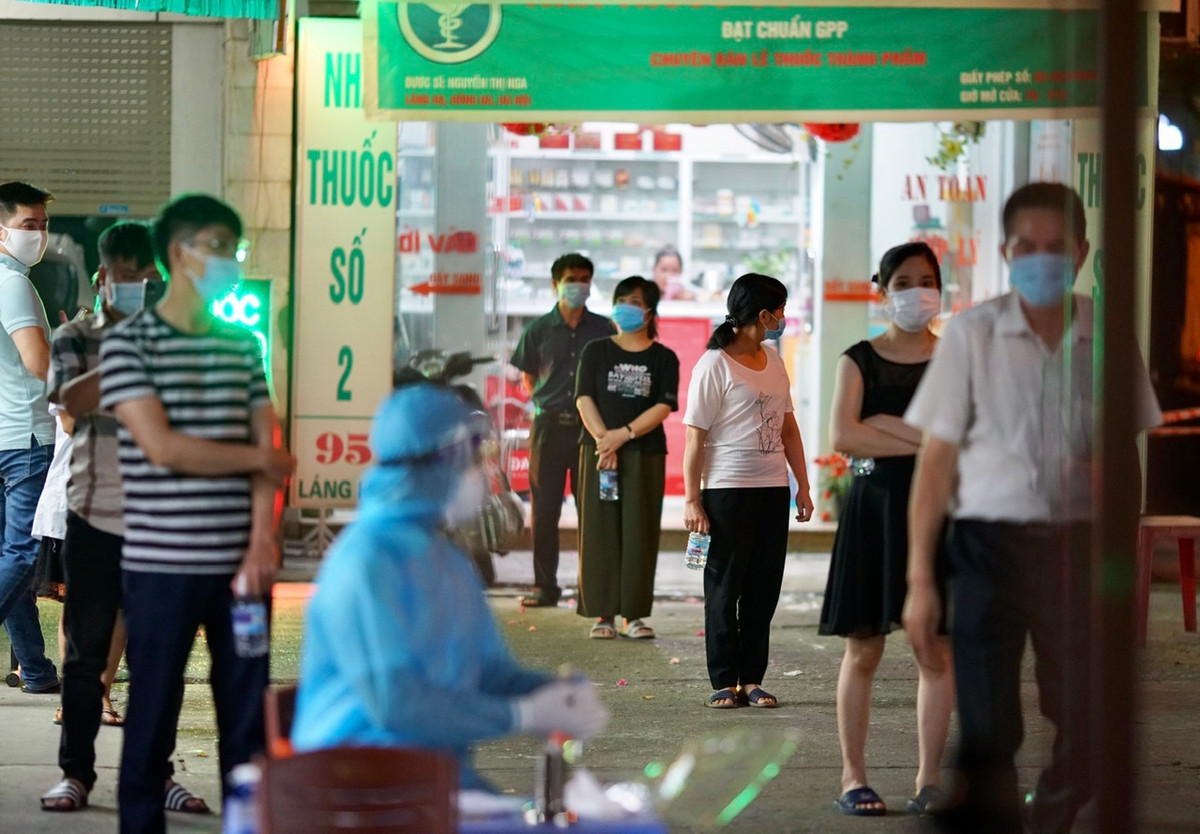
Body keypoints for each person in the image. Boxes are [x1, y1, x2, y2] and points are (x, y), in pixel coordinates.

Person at [902, 183, 1162, 833]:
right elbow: (934, 463)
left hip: (1077, 549)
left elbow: (1125, 460)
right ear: (1006, 252)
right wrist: (919, 581)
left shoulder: (1107, 337)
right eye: (1027, 248)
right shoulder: (973, 335)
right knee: (989, 730)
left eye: (1055, 248)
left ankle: (1048, 818)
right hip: (985, 547)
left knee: (1089, 719)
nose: (1041, 260)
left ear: (1079, 252)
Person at [292, 383, 608, 791]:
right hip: (354, 786)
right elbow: (397, 705)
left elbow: (485, 671)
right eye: (474, 457)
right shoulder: (367, 561)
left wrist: (552, 694)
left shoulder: (446, 560)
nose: (481, 471)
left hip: (432, 777)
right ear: (439, 460)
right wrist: (522, 716)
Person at [99, 195, 293, 834]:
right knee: (153, 706)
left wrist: (262, 541)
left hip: (243, 566)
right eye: (218, 246)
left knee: (246, 714)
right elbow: (163, 447)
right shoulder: (129, 344)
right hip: (162, 566)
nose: (229, 261)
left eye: (233, 249)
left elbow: (269, 449)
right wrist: (254, 463)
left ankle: (248, 823)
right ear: (179, 253)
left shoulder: (242, 347)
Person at [41, 221, 208, 814]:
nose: (135, 285)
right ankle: (75, 774)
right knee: (87, 655)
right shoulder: (76, 336)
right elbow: (68, 409)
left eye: (146, 277)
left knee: (157, 657)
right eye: (125, 276)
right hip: (95, 514)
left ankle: (156, 774)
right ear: (104, 276)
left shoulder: (177, 336)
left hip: (161, 520)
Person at [817, 242, 954, 816]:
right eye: (903, 281)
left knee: (935, 650)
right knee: (864, 649)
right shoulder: (859, 358)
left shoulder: (955, 359)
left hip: (940, 511)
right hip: (873, 510)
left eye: (926, 280)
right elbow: (844, 437)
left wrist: (890, 426)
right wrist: (929, 439)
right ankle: (854, 776)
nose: (915, 291)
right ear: (882, 289)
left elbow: (966, 438)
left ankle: (929, 779)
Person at [682, 273, 814, 709]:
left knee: (763, 589)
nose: (782, 318)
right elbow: (695, 438)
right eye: (779, 310)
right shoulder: (714, 364)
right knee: (724, 589)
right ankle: (723, 680)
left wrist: (802, 485)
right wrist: (692, 499)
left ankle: (752, 678)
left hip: (772, 488)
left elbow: (789, 427)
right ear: (762, 314)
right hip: (726, 492)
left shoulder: (774, 361)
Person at [575, 276, 679, 640]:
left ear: (649, 311)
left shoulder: (663, 357)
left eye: (634, 301)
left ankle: (633, 615)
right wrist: (605, 440)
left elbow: (664, 405)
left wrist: (624, 435)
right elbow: (583, 398)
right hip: (600, 453)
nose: (625, 307)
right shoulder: (596, 351)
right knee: (599, 530)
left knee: (640, 531)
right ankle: (602, 614)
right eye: (621, 299)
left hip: (644, 454)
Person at [510, 253, 613, 607]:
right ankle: (544, 586)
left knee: (592, 509)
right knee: (544, 510)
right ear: (555, 284)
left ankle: (592, 589)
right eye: (572, 279)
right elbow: (528, 379)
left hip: (590, 430)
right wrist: (549, 401)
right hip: (548, 427)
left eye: (585, 278)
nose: (579, 285)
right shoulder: (537, 330)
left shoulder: (604, 330)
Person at [0, 181, 60, 695]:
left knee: (9, 558)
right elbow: (38, 364)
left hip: (4, 436)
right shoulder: (12, 283)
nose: (39, 235)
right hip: (25, 438)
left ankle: (36, 670)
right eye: (27, 225)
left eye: (42, 225)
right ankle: (36, 669)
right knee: (20, 557)